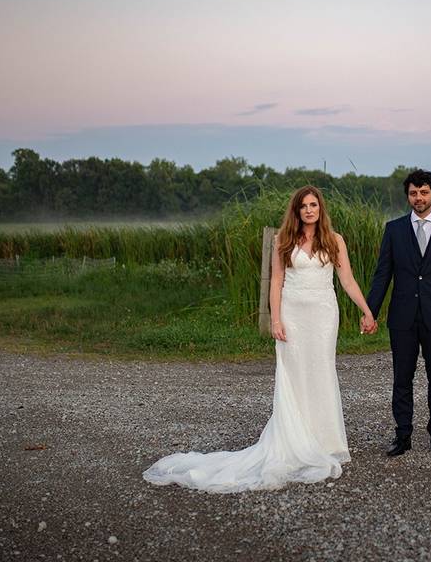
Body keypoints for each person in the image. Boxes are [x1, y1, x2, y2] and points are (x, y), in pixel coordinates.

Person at [143, 185, 375, 492]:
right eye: (304, 205)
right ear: (296, 210)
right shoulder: (284, 239)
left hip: (323, 314)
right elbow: (276, 281)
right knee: (293, 375)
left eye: (314, 205)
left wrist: (367, 311)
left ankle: (325, 440)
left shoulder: (335, 241)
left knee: (320, 372)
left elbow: (346, 279)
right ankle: (293, 441)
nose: (309, 210)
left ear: (321, 209)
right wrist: (276, 319)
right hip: (292, 313)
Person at [363, 169, 431, 458]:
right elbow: (382, 275)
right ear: (408, 196)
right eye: (413, 193)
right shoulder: (394, 230)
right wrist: (369, 312)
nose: (418, 197)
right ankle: (402, 436)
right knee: (402, 378)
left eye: (424, 192)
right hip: (402, 318)